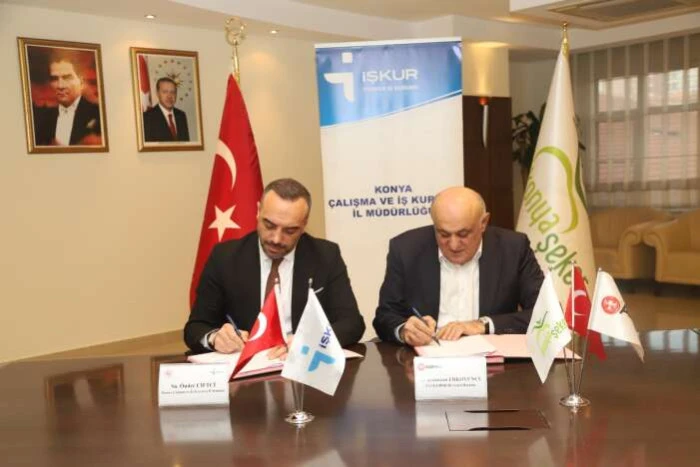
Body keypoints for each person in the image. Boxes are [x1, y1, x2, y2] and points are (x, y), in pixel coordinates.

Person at [184, 178, 365, 355]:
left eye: (290, 230)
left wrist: (312, 339)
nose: (276, 239)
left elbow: (352, 323)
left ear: (304, 225)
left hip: (301, 362)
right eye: (269, 225)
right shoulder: (225, 257)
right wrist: (215, 338)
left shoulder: (326, 256)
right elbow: (196, 327)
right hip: (244, 364)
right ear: (258, 212)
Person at [373, 186, 543, 346]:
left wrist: (482, 325)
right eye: (444, 234)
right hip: (426, 356)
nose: (453, 245)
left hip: (492, 358)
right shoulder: (406, 249)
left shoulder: (513, 248)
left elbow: (545, 313)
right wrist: (404, 330)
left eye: (463, 234)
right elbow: (385, 315)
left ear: (483, 223)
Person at [33, 54, 102, 146]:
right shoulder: (42, 119)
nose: (60, 85)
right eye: (54, 79)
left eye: (67, 78)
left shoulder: (98, 114)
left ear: (81, 82)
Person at [143, 77, 190, 142]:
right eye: (165, 92)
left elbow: (186, 144)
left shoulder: (181, 115)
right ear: (157, 93)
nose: (169, 96)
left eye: (172, 92)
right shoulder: (147, 117)